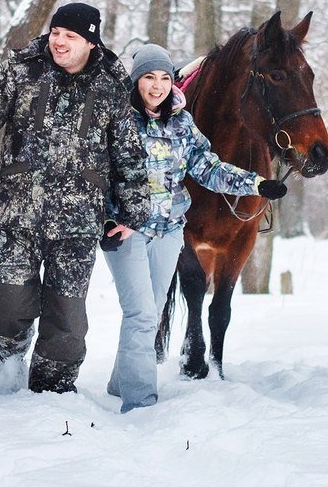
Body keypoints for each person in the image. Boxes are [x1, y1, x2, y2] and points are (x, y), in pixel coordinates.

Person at [0, 3, 150, 394]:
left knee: (67, 326)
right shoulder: (22, 68)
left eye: (70, 35)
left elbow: (127, 152)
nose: (58, 40)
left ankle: (50, 395)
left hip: (78, 222)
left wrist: (134, 210)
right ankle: (11, 355)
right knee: (8, 308)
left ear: (91, 43)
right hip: (19, 212)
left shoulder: (111, 84)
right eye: (56, 31)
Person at [101, 44, 287, 412]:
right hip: (129, 231)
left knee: (148, 311)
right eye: (149, 78)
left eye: (165, 78)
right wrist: (110, 218)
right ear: (136, 79)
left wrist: (255, 184)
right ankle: (140, 403)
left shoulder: (181, 123)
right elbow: (99, 175)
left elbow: (207, 166)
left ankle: (120, 382)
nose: (157, 86)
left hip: (170, 231)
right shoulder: (116, 120)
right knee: (141, 315)